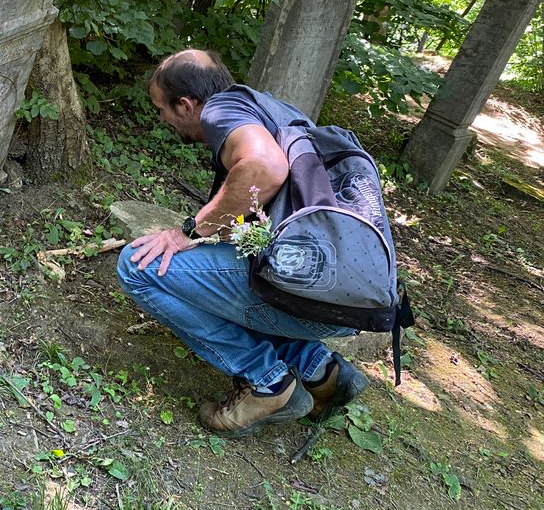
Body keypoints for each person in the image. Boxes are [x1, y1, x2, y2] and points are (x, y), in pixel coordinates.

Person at [116, 48, 369, 438]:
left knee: (138, 266)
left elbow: (265, 168)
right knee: (210, 274)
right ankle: (319, 370)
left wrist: (186, 232)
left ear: (186, 104)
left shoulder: (222, 112)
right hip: (349, 301)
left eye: (161, 109)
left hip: (312, 298)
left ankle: (268, 383)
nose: (162, 119)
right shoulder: (270, 110)